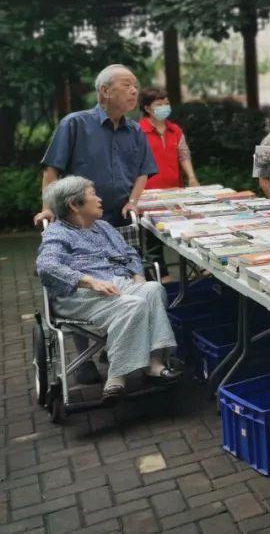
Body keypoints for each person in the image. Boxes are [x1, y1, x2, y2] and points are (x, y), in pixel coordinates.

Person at [36, 176, 180, 402]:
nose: (100, 199)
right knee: (132, 304)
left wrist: (138, 275)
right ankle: (116, 378)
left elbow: (130, 253)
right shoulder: (57, 233)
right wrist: (88, 281)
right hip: (79, 295)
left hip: (116, 286)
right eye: (93, 194)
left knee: (152, 289)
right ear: (74, 205)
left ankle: (154, 363)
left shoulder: (103, 227)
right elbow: (47, 266)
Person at [35, 64, 156, 229]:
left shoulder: (136, 131)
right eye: (127, 85)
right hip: (80, 222)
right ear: (105, 91)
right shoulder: (74, 124)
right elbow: (52, 169)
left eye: (136, 87)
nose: (134, 91)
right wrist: (48, 208)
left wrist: (132, 202)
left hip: (122, 219)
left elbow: (143, 172)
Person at [137, 88, 199, 190]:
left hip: (175, 189)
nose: (164, 107)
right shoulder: (138, 131)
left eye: (166, 103)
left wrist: (192, 177)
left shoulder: (175, 130)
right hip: (147, 192)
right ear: (147, 109)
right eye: (159, 104)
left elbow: (184, 155)